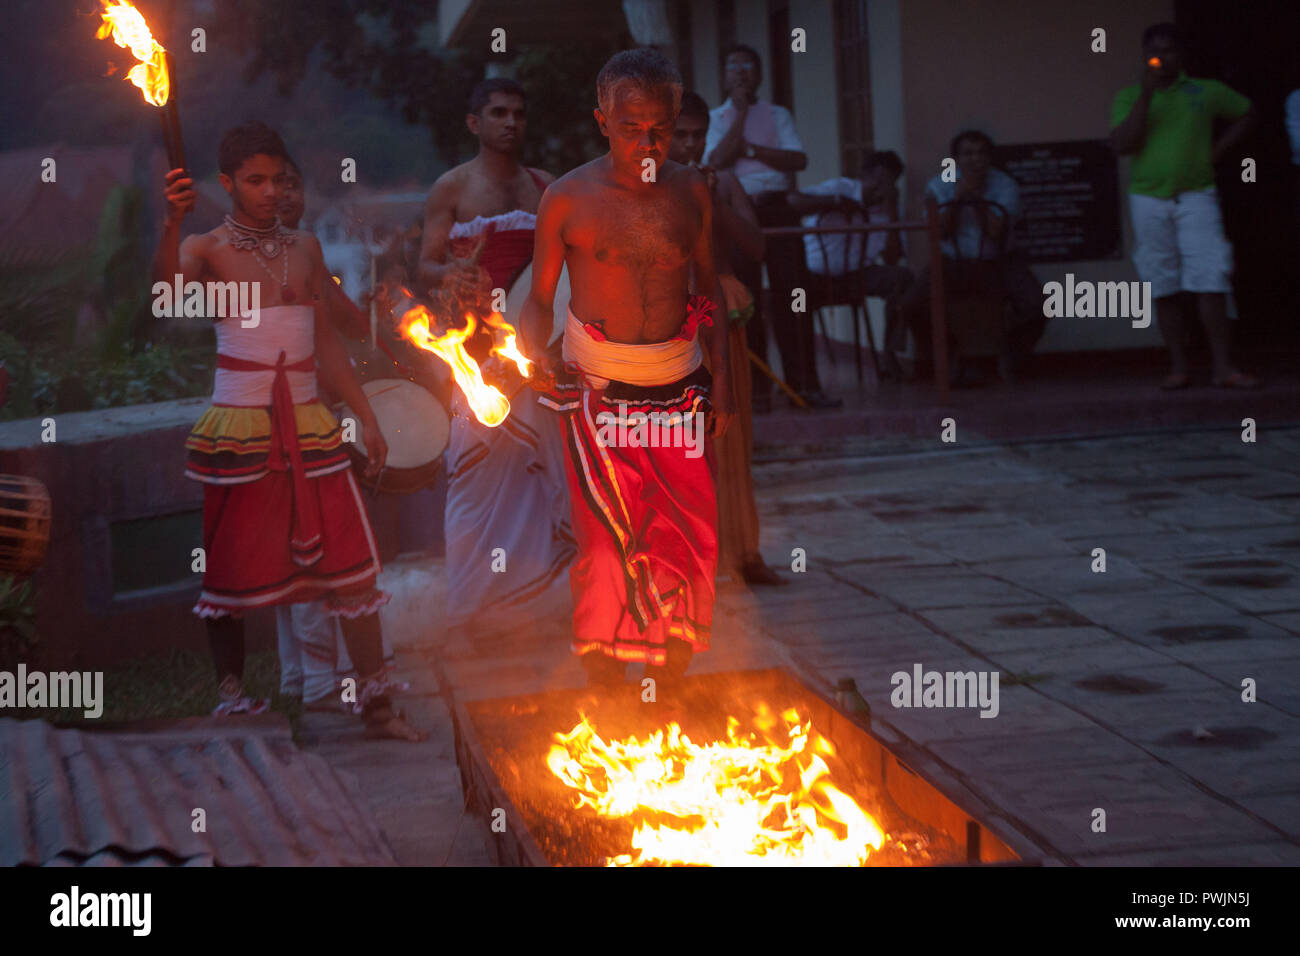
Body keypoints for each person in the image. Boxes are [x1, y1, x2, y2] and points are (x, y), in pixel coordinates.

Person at [154, 121, 424, 740]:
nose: (271, 191)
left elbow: (325, 338)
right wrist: (170, 225)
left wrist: (363, 411)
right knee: (228, 565)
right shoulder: (205, 248)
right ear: (226, 185)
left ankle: (377, 705)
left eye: (279, 178)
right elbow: (167, 303)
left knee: (352, 565)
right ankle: (234, 700)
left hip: (310, 421)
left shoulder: (306, 249)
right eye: (255, 180)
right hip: (241, 425)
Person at [522, 49, 734, 689]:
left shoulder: (692, 190)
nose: (648, 142)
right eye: (630, 127)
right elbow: (537, 300)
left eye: (661, 129)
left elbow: (709, 285)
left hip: (680, 387)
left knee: (688, 533)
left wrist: (719, 377)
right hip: (598, 392)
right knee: (607, 541)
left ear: (675, 122)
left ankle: (668, 681)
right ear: (602, 121)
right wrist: (537, 356)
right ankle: (605, 678)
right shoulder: (566, 199)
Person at [417, 77, 575, 654]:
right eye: (498, 112)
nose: (511, 122)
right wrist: (452, 275)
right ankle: (471, 613)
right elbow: (425, 265)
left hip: (536, 350)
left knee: (542, 472)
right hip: (475, 351)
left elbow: (567, 272)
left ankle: (534, 608)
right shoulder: (451, 188)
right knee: (475, 475)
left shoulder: (548, 188)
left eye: (519, 114)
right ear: (473, 123)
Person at [273, 157, 396, 710]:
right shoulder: (238, 256)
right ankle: (310, 681)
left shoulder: (306, 251)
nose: (283, 196)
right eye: (267, 185)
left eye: (292, 184)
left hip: (318, 414)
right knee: (298, 557)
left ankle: (324, 680)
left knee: (324, 552)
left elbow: (338, 323)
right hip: (268, 420)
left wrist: (380, 314)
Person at [669, 90, 783, 587]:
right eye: (681, 136)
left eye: (699, 136)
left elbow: (756, 248)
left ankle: (745, 553)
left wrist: (711, 198)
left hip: (721, 320)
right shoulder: (649, 187)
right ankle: (688, 556)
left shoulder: (724, 181)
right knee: (676, 442)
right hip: (666, 329)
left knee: (730, 437)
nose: (691, 146)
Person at [1110, 22, 1259, 390]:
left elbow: (1248, 113)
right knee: (1163, 284)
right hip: (1147, 198)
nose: (1161, 57)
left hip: (1197, 195)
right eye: (1154, 51)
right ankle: (1178, 368)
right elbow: (1122, 145)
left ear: (1182, 55)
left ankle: (1223, 367)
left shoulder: (1205, 91)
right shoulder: (1128, 97)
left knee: (1210, 278)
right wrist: (1146, 97)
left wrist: (1218, 152)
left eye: (1170, 50)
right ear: (1144, 55)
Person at [704, 44, 840, 410]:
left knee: (794, 297)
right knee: (744, 299)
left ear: (760, 75)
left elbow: (797, 159)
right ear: (723, 77)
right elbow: (716, 159)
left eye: (748, 66)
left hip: (778, 211)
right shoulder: (716, 119)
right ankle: (757, 391)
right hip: (738, 215)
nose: (741, 73)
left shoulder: (778, 114)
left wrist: (751, 151)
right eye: (733, 67)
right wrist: (742, 112)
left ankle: (804, 385)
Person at [899, 129, 1045, 386]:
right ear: (955, 158)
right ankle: (943, 356)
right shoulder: (939, 185)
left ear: (989, 158)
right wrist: (958, 197)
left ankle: (1012, 354)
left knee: (1037, 303)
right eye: (967, 154)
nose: (975, 160)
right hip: (951, 261)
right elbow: (939, 233)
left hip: (997, 260)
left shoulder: (1005, 184)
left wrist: (977, 197)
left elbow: (995, 232)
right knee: (911, 304)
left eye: (981, 153)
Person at [787, 150, 913, 380]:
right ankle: (801, 373)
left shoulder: (889, 208)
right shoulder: (840, 188)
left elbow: (892, 258)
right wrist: (834, 202)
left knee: (902, 278)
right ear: (863, 176)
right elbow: (792, 201)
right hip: (814, 275)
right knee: (793, 296)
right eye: (877, 180)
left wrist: (893, 210)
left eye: (889, 183)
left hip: (857, 276)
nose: (880, 189)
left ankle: (890, 357)